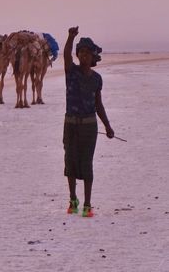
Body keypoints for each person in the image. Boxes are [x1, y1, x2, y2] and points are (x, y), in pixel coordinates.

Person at [63, 26, 114, 217]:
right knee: (70, 162)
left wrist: (108, 126)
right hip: (70, 124)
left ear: (93, 58)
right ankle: (72, 199)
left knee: (87, 163)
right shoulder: (71, 72)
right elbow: (66, 54)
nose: (83, 55)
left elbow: (98, 105)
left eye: (87, 53)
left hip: (89, 126)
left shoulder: (97, 79)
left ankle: (87, 204)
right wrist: (70, 37)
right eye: (81, 52)